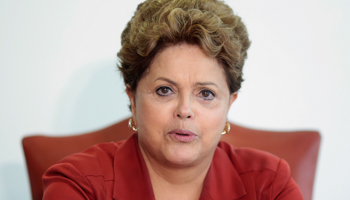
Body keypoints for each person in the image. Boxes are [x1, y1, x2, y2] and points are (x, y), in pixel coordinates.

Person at [42, 0, 304, 199]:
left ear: (229, 105)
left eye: (206, 94)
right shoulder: (78, 183)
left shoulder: (268, 184)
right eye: (165, 90)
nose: (185, 110)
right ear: (132, 99)